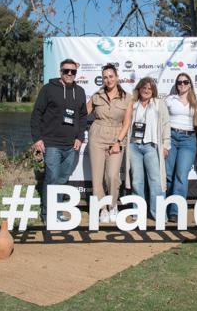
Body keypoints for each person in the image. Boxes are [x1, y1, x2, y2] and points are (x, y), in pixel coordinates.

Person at [31, 58, 87, 225]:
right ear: (60, 72)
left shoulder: (80, 91)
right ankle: (47, 214)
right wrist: (37, 138)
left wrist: (80, 137)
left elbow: (82, 117)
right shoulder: (48, 89)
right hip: (51, 144)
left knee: (63, 180)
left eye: (73, 71)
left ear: (76, 73)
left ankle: (58, 211)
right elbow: (36, 114)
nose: (69, 74)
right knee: (52, 178)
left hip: (70, 145)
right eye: (66, 71)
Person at [87, 64, 132, 223]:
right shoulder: (97, 96)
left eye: (111, 76)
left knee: (112, 176)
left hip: (116, 137)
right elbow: (83, 113)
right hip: (97, 137)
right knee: (97, 177)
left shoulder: (127, 97)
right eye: (105, 77)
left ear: (117, 77)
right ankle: (103, 209)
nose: (108, 80)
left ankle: (113, 205)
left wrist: (118, 141)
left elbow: (126, 123)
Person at [123, 77, 171, 220]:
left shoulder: (159, 103)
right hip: (134, 146)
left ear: (153, 90)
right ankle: (138, 213)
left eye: (149, 88)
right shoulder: (132, 104)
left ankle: (159, 215)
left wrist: (166, 145)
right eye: (144, 88)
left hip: (152, 146)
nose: (146, 90)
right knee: (137, 181)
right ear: (139, 89)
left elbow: (166, 124)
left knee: (156, 181)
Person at [165, 73, 197, 222]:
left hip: (188, 140)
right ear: (176, 84)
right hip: (170, 137)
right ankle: (165, 208)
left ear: (190, 84)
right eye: (179, 82)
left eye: (185, 82)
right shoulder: (169, 100)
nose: (182, 84)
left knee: (181, 176)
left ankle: (175, 211)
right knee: (168, 175)